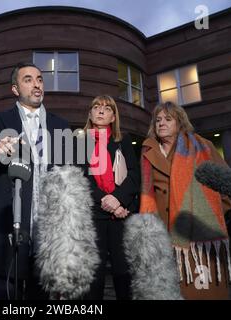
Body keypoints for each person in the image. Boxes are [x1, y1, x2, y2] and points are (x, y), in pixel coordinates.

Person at [0, 62, 69, 300]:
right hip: (9, 230)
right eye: (28, 79)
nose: (36, 84)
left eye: (39, 79)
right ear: (15, 89)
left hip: (48, 230)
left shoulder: (61, 125)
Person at [139, 101, 231, 299]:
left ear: (180, 123)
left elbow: (226, 183)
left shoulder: (201, 147)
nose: (161, 123)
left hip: (197, 232)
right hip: (162, 235)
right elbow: (147, 193)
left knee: (202, 291)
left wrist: (209, 215)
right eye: (158, 120)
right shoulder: (148, 152)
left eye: (167, 119)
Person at [76, 95, 140, 300]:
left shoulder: (124, 141)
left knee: (124, 273)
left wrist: (118, 200)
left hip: (122, 215)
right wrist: (108, 202)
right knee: (94, 276)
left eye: (107, 108)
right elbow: (81, 178)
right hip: (93, 216)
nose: (101, 110)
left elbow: (133, 175)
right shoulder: (79, 142)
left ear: (113, 116)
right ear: (90, 113)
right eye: (96, 106)